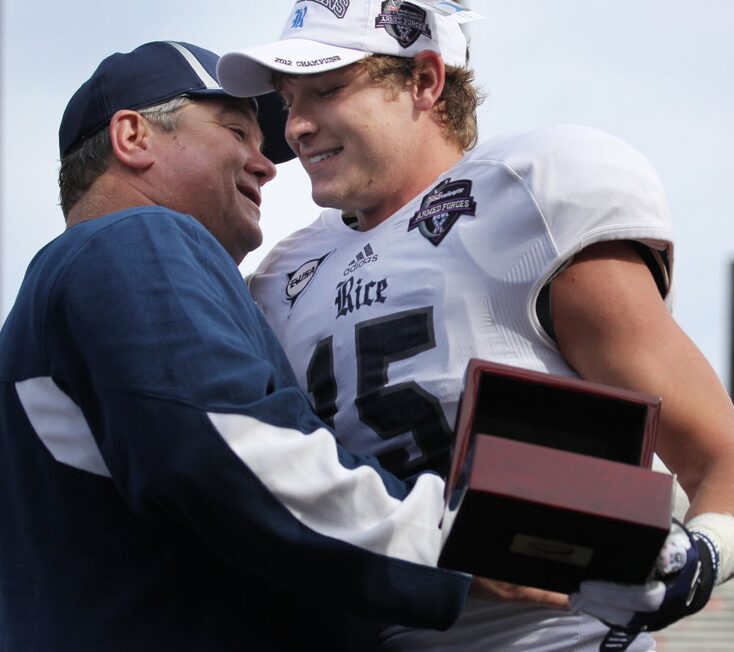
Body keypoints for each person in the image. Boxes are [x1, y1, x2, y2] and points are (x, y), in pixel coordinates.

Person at [217, 1, 734, 650]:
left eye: (325, 90)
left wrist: (701, 554)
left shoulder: (527, 200)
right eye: (289, 100)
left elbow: (731, 462)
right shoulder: (282, 274)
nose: (295, 126)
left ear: (425, 81)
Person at [0, 40, 480, 652]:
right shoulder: (133, 240)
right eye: (236, 132)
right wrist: (459, 545)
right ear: (133, 138)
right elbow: (232, 450)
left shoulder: (47, 301)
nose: (266, 164)